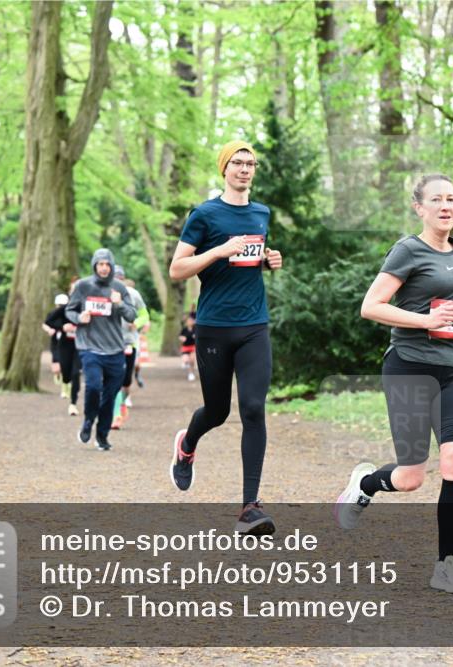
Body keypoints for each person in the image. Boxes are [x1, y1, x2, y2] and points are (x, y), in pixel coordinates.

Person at [333, 174, 453, 594]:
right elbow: (371, 306)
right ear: (419, 208)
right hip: (409, 368)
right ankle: (365, 484)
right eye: (436, 199)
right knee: (410, 478)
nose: (446, 206)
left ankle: (446, 566)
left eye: (451, 199)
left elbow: (447, 295)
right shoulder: (407, 250)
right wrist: (425, 320)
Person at [167, 140, 283, 536]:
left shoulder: (261, 213)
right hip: (214, 326)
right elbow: (177, 269)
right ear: (224, 168)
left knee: (253, 408)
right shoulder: (204, 215)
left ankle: (250, 507)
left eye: (250, 163)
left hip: (254, 325)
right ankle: (187, 444)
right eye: (238, 162)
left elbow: (247, 261)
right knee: (216, 412)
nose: (245, 169)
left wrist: (268, 260)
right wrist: (218, 251)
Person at [65, 249, 136, 451]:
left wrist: (119, 303)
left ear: (111, 266)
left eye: (107, 264)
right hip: (89, 347)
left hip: (115, 349)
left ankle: (102, 435)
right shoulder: (83, 286)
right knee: (94, 387)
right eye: (100, 264)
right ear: (95, 266)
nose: (103, 268)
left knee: (110, 395)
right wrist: (79, 318)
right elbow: (69, 310)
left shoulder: (119, 288)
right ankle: (88, 420)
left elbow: (132, 315)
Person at [110, 265, 149, 430]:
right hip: (111, 343)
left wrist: (137, 323)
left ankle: (123, 402)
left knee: (126, 382)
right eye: (114, 278)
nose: (117, 281)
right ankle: (116, 415)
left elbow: (145, 315)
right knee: (115, 379)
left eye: (119, 278)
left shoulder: (133, 294)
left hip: (129, 342)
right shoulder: (103, 293)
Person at [44, 293, 82, 415]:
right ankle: (65, 382)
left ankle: (73, 403)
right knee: (66, 372)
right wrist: (62, 327)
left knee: (76, 373)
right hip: (65, 345)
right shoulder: (65, 308)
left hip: (80, 346)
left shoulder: (85, 308)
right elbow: (48, 321)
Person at [179, 313, 197, 382]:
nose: (190, 322)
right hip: (185, 347)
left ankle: (191, 373)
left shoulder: (195, 329)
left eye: (191, 321)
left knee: (191, 360)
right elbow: (180, 336)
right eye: (188, 321)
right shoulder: (184, 329)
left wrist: (196, 337)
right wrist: (182, 338)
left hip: (193, 347)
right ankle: (186, 364)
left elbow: (199, 336)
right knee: (186, 360)